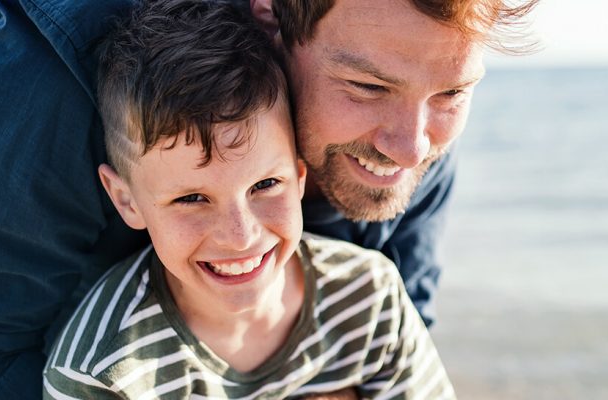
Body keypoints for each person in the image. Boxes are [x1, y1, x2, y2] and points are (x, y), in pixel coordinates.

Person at [0, 0, 536, 398]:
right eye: (366, 86)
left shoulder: (408, 123)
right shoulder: (36, 97)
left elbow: (400, 334)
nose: (410, 147)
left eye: (453, 93)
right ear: (269, 14)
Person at [43, 1, 453, 397]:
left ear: (298, 176)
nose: (240, 236)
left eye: (264, 185)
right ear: (126, 200)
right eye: (191, 198)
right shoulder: (101, 372)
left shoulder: (371, 298)